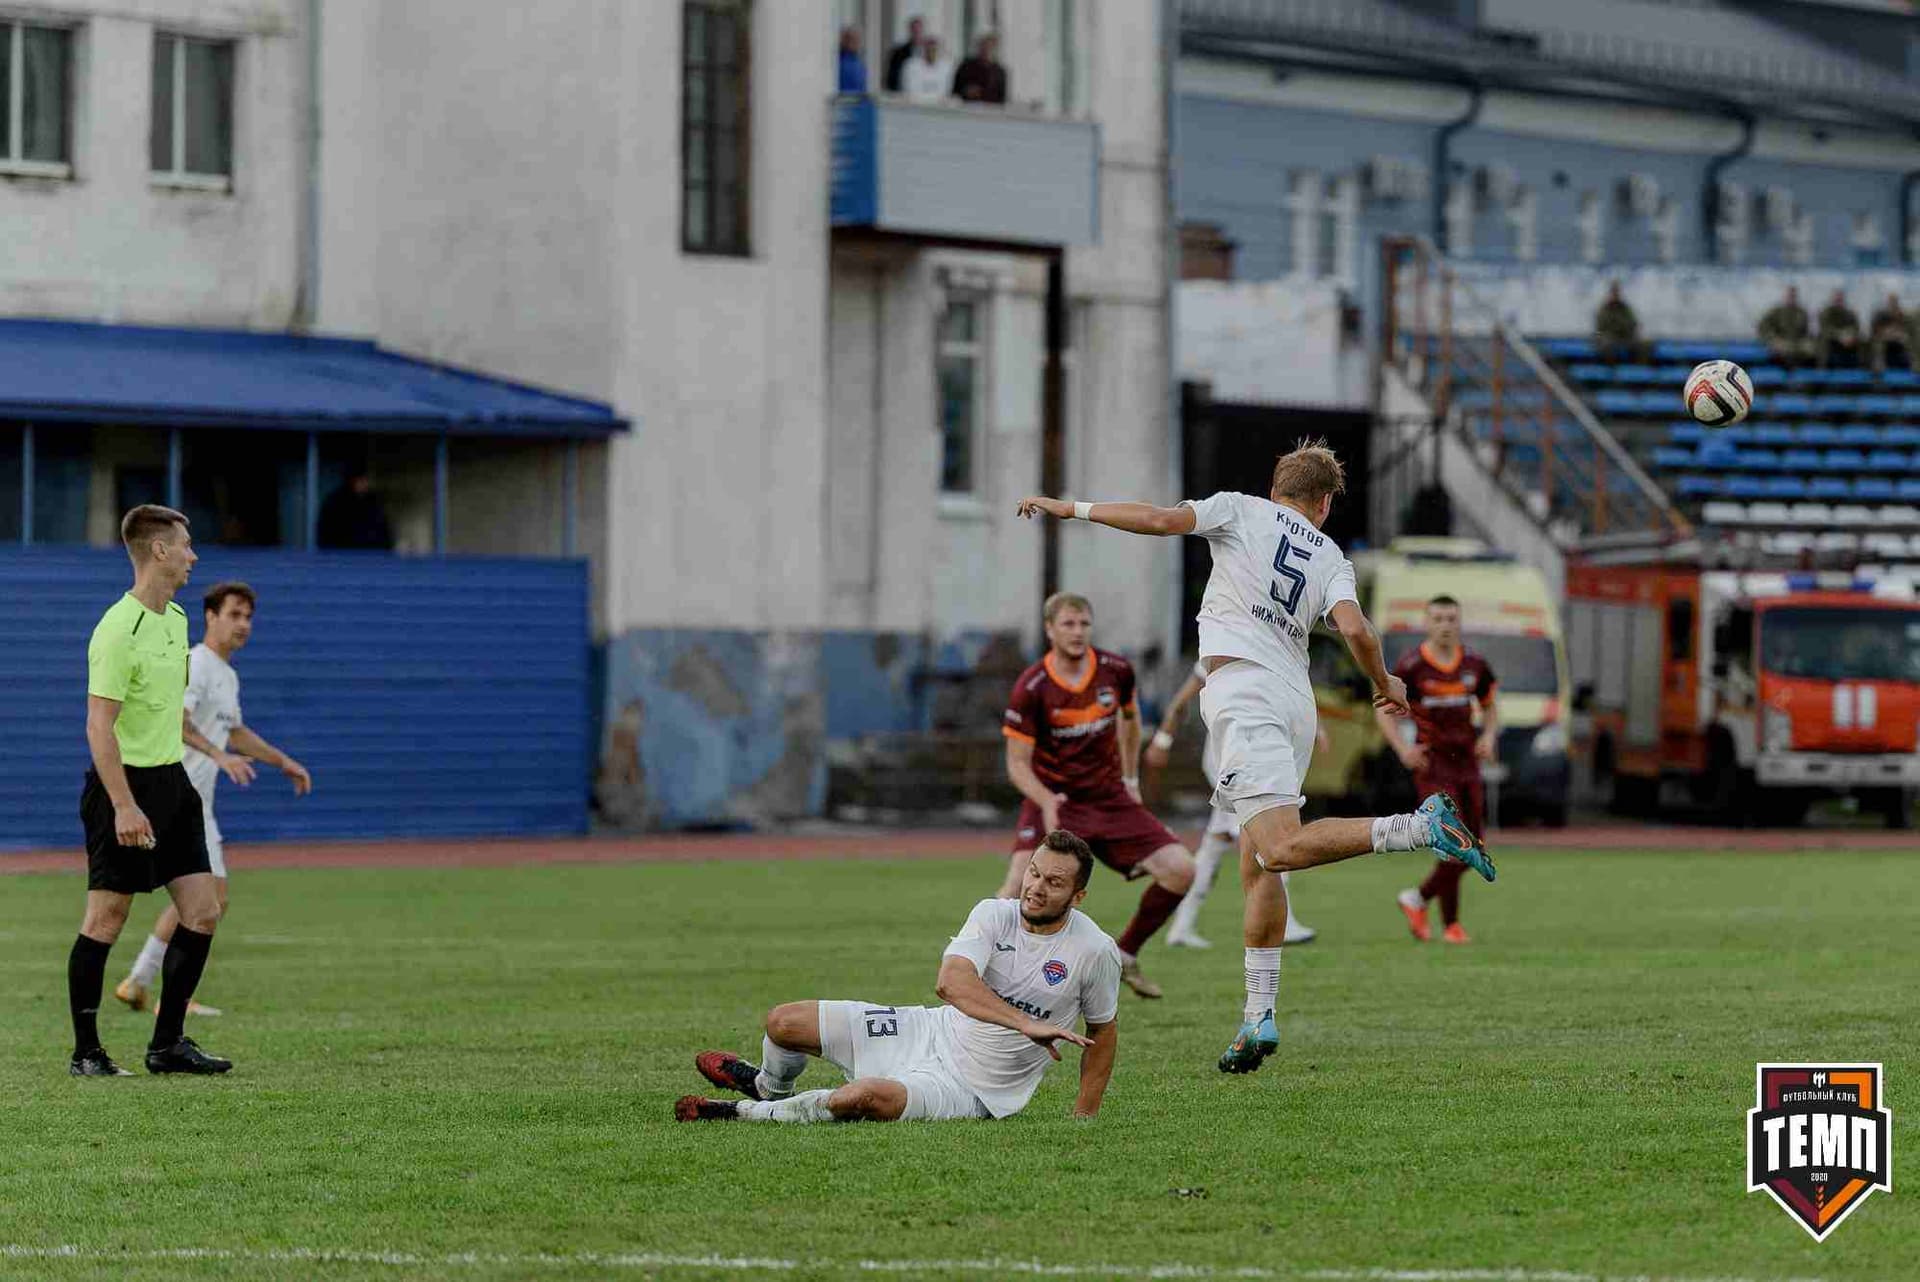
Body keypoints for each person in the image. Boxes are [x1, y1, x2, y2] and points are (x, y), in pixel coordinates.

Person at [1015, 441, 1495, 1075]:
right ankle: (1257, 1016)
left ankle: (1419, 825)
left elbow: (1158, 520)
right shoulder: (1329, 554)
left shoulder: (1239, 509)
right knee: (1258, 866)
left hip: (1245, 695)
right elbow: (1354, 629)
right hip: (1294, 701)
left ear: (1276, 488)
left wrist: (1069, 508)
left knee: (1279, 848)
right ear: (1324, 504)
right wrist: (1384, 682)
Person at [675, 830, 1120, 1124]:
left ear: (1077, 896)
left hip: (971, 1088)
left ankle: (738, 1112)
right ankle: (768, 1087)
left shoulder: (1095, 950)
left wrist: (1085, 1118)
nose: (1036, 887)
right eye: (1034, 872)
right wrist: (1026, 1023)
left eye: (1054, 883)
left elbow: (1103, 1030)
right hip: (925, 1030)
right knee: (783, 1022)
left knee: (862, 1097)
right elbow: (951, 983)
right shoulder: (993, 914)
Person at [68, 505, 232, 1077]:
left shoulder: (177, 618)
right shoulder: (117, 628)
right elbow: (98, 726)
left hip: (172, 783)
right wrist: (123, 804)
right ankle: (86, 1052)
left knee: (204, 910)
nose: (193, 555)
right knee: (106, 919)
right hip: (124, 787)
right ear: (158, 551)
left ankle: (167, 1046)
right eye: (186, 545)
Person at [114, 582, 313, 1016]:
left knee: (205, 902)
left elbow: (235, 730)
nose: (243, 624)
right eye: (235, 614)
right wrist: (220, 756)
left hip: (196, 803)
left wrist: (283, 762)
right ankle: (167, 995)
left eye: (248, 617)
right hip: (177, 796)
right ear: (210, 616)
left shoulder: (227, 674)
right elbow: (177, 722)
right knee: (206, 902)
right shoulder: (195, 663)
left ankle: (140, 982)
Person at [997, 593, 1196, 999]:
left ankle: (1125, 954)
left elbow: (1131, 721)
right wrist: (1048, 801)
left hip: (1109, 797)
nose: (1077, 632)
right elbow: (1017, 764)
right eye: (1068, 624)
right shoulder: (1032, 687)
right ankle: (984, 970)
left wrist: (1131, 779)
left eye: (1084, 624)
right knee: (1017, 887)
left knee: (1181, 869)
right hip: (1055, 798)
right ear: (1050, 629)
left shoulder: (1116, 671)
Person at [1146, 661, 1321, 949]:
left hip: (1244, 754)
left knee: (1215, 843)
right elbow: (1181, 700)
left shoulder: (1267, 641)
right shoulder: (1224, 642)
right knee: (1271, 838)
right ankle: (1283, 923)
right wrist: (1162, 740)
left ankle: (1182, 925)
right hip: (1232, 758)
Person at [1376, 596, 1498, 946]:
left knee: (1475, 844)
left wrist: (1488, 736)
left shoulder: (1475, 664)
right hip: (1434, 765)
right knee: (1453, 839)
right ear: (1427, 623)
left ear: (1460, 623)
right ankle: (1451, 924)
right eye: (1439, 618)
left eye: (1451, 618)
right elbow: (1384, 710)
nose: (1445, 624)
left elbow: (1489, 706)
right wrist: (1403, 749)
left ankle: (1419, 900)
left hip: (1468, 763)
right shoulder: (1412, 666)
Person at [316, 469, 394, 550]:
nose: (365, 483)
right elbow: (326, 537)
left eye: (366, 479)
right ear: (352, 481)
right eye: (361, 480)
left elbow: (384, 535)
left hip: (371, 557)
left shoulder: (373, 503)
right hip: (340, 556)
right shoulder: (335, 503)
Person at [1757, 287, 1814, 369]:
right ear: (1785, 297)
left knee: (1809, 348)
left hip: (1797, 342)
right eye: (1789, 296)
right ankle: (1787, 370)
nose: (1791, 298)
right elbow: (1763, 326)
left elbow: (1806, 331)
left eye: (1793, 296)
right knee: (1785, 349)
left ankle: (1801, 370)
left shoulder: (1801, 312)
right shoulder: (1776, 311)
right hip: (1781, 341)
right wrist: (1773, 338)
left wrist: (1807, 341)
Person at [1592, 282, 1643, 363]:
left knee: (1641, 345)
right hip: (1610, 337)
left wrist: (1623, 326)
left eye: (1617, 293)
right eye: (1613, 293)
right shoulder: (1605, 309)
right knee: (1606, 344)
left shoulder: (1625, 308)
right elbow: (1601, 326)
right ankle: (1610, 368)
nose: (1615, 295)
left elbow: (1632, 323)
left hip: (1624, 336)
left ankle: (1634, 366)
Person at [952, 32, 1008, 105]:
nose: (985, 51)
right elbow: (955, 91)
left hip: (989, 112)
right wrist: (966, 92)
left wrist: (982, 94)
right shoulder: (966, 67)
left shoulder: (999, 72)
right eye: (983, 47)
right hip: (966, 109)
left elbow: (1001, 99)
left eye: (989, 48)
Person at [1868, 293, 1913, 375]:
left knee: (1909, 342)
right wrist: (1887, 332)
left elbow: (1906, 330)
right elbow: (1876, 329)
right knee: (1878, 343)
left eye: (1895, 301)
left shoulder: (1901, 314)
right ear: (1888, 303)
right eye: (1891, 302)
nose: (1893, 304)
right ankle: (1878, 365)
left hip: (1898, 339)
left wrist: (1900, 334)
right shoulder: (1882, 314)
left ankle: (1914, 365)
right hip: (1885, 338)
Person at [901, 35, 954, 103]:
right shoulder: (911, 65)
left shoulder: (946, 67)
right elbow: (910, 92)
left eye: (934, 49)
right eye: (928, 49)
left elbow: (945, 92)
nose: (931, 52)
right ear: (923, 49)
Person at [1817, 290, 1862, 370]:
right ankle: (1823, 370)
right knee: (1824, 341)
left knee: (1860, 341)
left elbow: (1855, 327)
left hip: (1847, 341)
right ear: (1833, 300)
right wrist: (1840, 336)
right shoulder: (1827, 312)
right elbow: (1825, 328)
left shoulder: (1849, 313)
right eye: (1837, 299)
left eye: (1841, 299)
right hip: (1832, 340)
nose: (1839, 301)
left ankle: (1858, 370)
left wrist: (1850, 336)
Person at [883, 16, 925, 94]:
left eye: (919, 30)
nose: (917, 33)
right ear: (910, 31)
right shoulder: (898, 52)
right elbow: (891, 77)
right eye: (914, 30)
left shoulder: (927, 52)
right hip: (903, 95)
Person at [836, 25, 866, 94]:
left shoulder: (857, 62)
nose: (857, 43)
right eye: (852, 40)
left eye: (857, 40)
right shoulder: (841, 63)